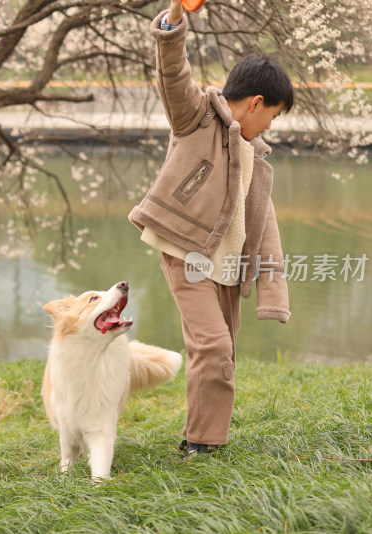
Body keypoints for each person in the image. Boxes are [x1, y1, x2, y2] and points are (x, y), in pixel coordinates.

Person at [127, 0, 293, 459]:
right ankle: (200, 445)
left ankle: (204, 442)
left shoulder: (256, 156)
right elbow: (173, 73)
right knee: (213, 343)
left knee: (221, 356)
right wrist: (176, 17)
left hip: (227, 263)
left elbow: (267, 225)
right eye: (273, 115)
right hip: (186, 252)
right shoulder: (196, 117)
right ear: (256, 103)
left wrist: (272, 292)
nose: (270, 125)